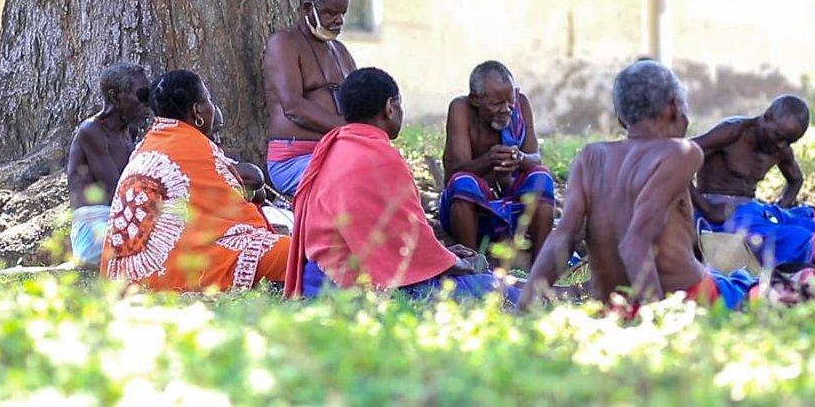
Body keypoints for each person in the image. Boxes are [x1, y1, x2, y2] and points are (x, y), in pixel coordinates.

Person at [520, 61, 756, 310]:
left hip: (613, 305)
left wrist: (524, 303)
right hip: (683, 297)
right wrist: (653, 317)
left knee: (732, 279)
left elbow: (563, 236)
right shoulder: (681, 152)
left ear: (621, 118)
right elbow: (635, 241)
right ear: (674, 108)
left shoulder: (591, 157)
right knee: (759, 289)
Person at [285, 68, 516, 303]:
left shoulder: (333, 146)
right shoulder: (381, 156)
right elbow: (407, 248)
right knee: (491, 286)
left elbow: (392, 238)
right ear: (390, 107)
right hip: (352, 288)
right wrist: (458, 263)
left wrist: (442, 254)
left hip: (315, 280)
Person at [100, 70, 289, 292]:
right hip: (179, 268)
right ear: (197, 110)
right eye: (208, 99)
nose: (212, 107)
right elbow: (247, 201)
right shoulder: (194, 147)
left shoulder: (147, 144)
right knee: (297, 251)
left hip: (124, 277)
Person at [440, 61, 554, 262]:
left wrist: (519, 158)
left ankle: (540, 264)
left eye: (509, 101)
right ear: (475, 99)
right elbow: (453, 174)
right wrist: (489, 159)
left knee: (541, 177)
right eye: (496, 104)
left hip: (514, 206)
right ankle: (472, 262)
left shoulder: (521, 104)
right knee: (463, 183)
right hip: (474, 209)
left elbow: (535, 157)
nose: (506, 109)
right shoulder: (461, 109)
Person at [690, 96, 815, 266]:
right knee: (800, 238)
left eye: (789, 141)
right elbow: (677, 158)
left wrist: (780, 207)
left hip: (754, 210)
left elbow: (796, 179)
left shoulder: (781, 148)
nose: (782, 145)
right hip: (721, 213)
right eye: (779, 136)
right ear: (768, 116)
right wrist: (706, 208)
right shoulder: (733, 132)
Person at [264, 0, 358, 196]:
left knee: (388, 175)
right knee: (353, 181)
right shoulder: (284, 43)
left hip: (341, 153)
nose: (339, 21)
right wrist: (349, 130)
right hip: (294, 159)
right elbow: (293, 107)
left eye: (342, 14)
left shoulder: (341, 52)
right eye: (331, 13)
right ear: (308, 9)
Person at [66, 63, 150, 267]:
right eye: (141, 95)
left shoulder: (128, 131)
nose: (147, 103)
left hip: (121, 220)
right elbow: (118, 192)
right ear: (115, 96)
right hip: (93, 231)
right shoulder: (92, 131)